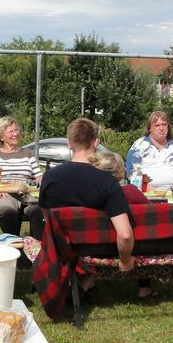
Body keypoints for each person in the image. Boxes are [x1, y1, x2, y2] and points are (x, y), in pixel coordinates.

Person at [38, 118, 135, 280]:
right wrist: (125, 261)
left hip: (60, 249)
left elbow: (48, 220)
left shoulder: (49, 177)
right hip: (96, 250)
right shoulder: (108, 182)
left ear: (69, 143)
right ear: (95, 142)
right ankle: (88, 283)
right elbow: (124, 234)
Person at [89, 150, 155, 298]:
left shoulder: (89, 195)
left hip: (95, 246)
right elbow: (151, 214)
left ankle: (88, 282)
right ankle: (144, 288)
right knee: (141, 235)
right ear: (119, 171)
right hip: (131, 246)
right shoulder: (131, 191)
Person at [0, 117, 43, 236]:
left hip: (27, 193)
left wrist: (38, 188)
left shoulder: (27, 153)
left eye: (16, 130)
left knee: (39, 209)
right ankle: (13, 242)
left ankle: (37, 246)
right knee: (6, 210)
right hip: (6, 193)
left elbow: (38, 175)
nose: (15, 134)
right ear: (1, 137)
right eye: (11, 132)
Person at [125, 111, 173, 192]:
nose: (161, 128)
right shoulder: (138, 146)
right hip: (145, 193)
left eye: (164, 124)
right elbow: (130, 172)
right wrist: (148, 190)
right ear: (150, 128)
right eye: (157, 125)